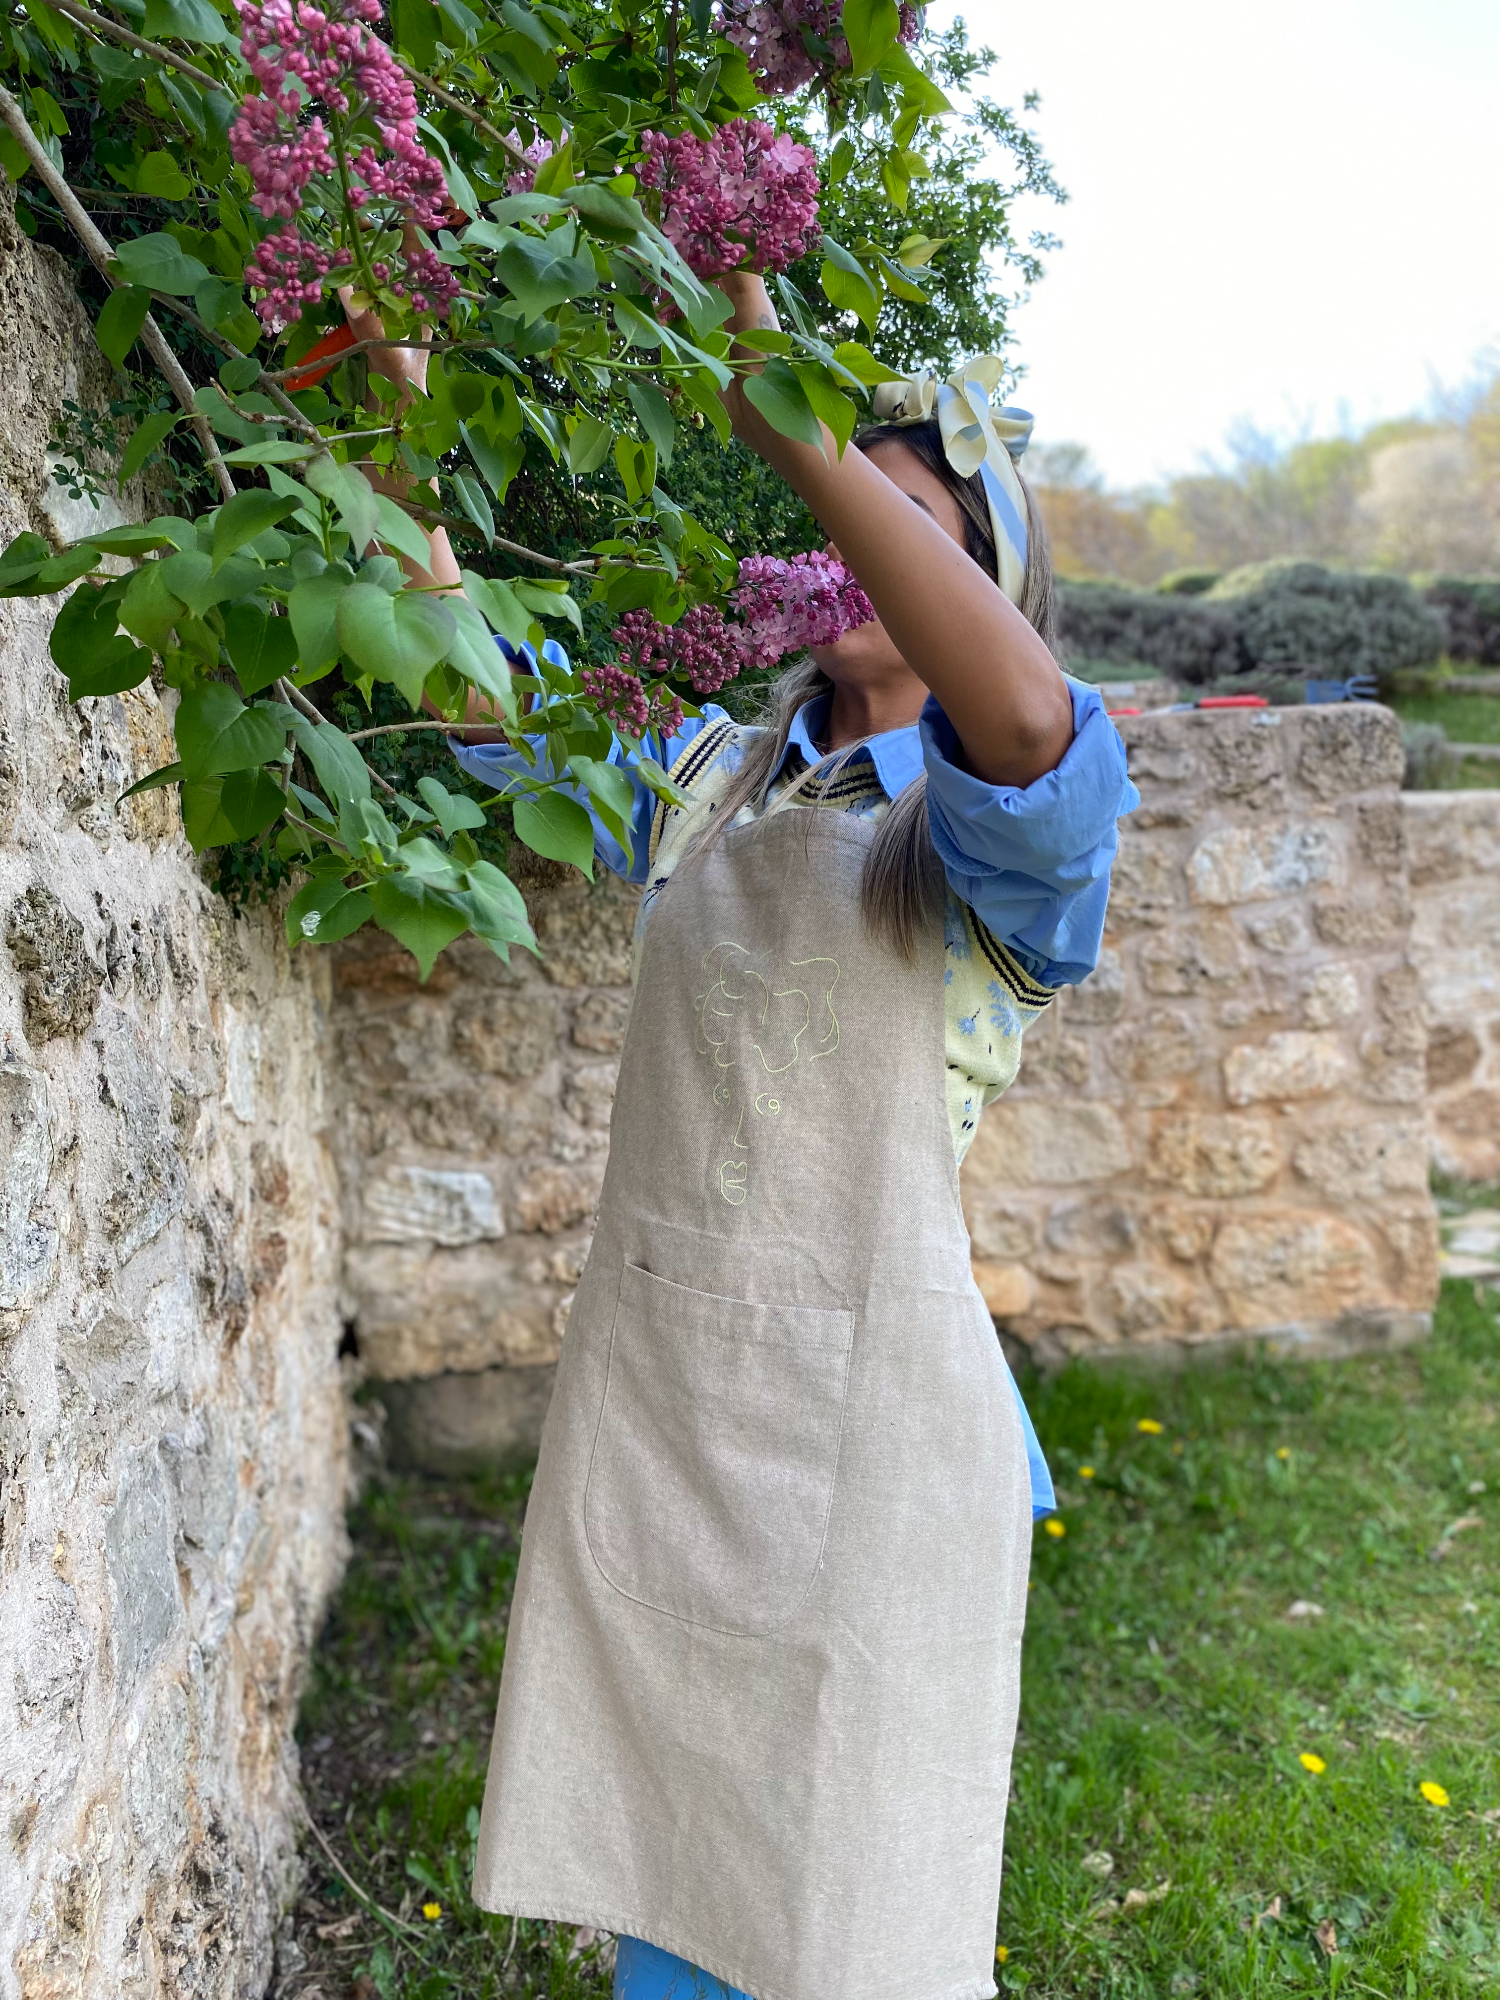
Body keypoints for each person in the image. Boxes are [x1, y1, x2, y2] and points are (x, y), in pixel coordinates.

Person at [360, 270, 1137, 2000]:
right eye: (845, 501)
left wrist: (797, 437)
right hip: (671, 1409)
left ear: (981, 580)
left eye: (909, 517)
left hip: (870, 1449)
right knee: (676, 1882)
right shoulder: (711, 763)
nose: (856, 535)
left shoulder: (1006, 823)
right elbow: (486, 687)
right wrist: (405, 409)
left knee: (852, 1915)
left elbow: (1023, 718)